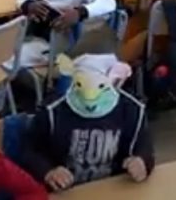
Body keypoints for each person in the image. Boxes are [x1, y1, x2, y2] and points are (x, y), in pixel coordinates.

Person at [20, 54, 153, 191]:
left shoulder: (132, 110)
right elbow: (30, 151)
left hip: (114, 188)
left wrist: (142, 162)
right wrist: (48, 171)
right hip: (66, 192)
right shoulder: (52, 112)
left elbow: (143, 146)